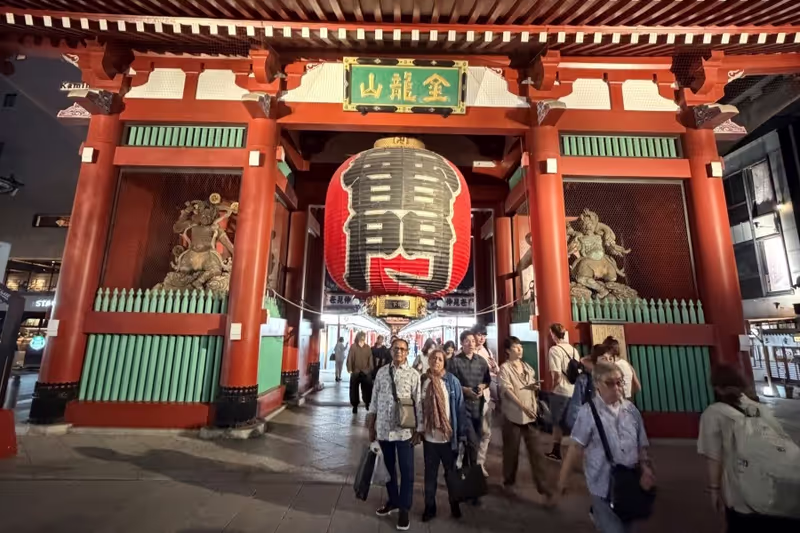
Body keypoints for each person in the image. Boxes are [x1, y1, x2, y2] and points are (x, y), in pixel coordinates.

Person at [697, 365, 798, 532]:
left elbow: (714, 458)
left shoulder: (713, 413)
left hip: (741, 495)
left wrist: (714, 489)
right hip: (773, 491)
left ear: (716, 388)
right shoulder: (759, 408)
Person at [558, 361, 656, 533]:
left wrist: (646, 467)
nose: (616, 388)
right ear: (597, 384)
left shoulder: (632, 411)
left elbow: (641, 445)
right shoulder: (588, 412)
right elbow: (575, 448)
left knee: (628, 527)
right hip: (602, 485)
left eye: (619, 382)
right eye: (609, 383)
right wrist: (562, 481)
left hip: (629, 482)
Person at [368, 338, 422, 531]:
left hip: (404, 431)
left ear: (407, 352)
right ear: (390, 351)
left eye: (402, 349)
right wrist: (371, 425)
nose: (399, 351)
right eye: (396, 348)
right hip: (383, 429)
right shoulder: (382, 372)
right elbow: (374, 399)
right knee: (388, 469)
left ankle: (404, 509)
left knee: (407, 471)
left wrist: (420, 429)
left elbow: (419, 403)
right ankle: (393, 501)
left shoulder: (414, 375)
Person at [498, 336, 554, 504]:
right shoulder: (505, 369)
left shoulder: (528, 368)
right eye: (516, 347)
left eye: (521, 347)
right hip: (512, 415)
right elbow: (507, 391)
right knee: (511, 452)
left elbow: (531, 388)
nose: (520, 350)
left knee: (537, 453)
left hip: (530, 416)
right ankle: (509, 482)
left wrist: (534, 389)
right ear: (508, 351)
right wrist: (523, 406)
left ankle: (544, 488)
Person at [418, 348, 467, 522]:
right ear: (429, 361)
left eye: (439, 359)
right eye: (433, 359)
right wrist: (419, 429)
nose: (436, 362)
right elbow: (419, 407)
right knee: (430, 475)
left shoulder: (452, 382)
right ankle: (430, 508)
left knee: (451, 474)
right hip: (430, 439)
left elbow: (460, 409)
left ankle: (454, 504)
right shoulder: (424, 381)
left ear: (444, 362)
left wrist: (462, 435)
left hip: (448, 438)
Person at [448, 330, 491, 477]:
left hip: (478, 408)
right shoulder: (454, 362)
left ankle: (464, 473)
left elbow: (487, 380)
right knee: (472, 443)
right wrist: (465, 390)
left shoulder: (481, 361)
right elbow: (449, 384)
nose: (471, 343)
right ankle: (474, 481)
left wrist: (482, 387)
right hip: (462, 408)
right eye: (467, 341)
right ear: (461, 343)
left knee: (473, 443)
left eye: (473, 341)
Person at [546, 323, 580, 461]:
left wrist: (552, 388)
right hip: (574, 389)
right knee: (573, 422)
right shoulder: (573, 350)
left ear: (553, 334)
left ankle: (556, 451)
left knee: (557, 422)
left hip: (561, 391)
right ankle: (577, 452)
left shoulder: (554, 350)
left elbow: (556, 375)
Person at [472, 324, 499, 475]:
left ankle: (480, 463)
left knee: (486, 432)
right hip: (470, 399)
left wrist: (495, 367)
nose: (482, 338)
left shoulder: (486, 351)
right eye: (479, 334)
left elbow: (494, 372)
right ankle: (464, 462)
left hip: (485, 398)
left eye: (484, 335)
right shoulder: (466, 351)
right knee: (469, 433)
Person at [564, 344, 608, 431]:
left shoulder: (615, 379)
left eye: (610, 359)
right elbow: (575, 408)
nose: (608, 362)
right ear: (596, 361)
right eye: (604, 358)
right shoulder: (584, 379)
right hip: (592, 427)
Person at [347, 331, 374, 414]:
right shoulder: (353, 347)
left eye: (363, 337)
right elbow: (350, 358)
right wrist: (350, 369)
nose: (362, 339)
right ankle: (355, 405)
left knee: (367, 389)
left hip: (366, 372)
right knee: (354, 389)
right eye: (361, 337)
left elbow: (370, 360)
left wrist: (369, 369)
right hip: (356, 371)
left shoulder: (368, 348)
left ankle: (367, 403)